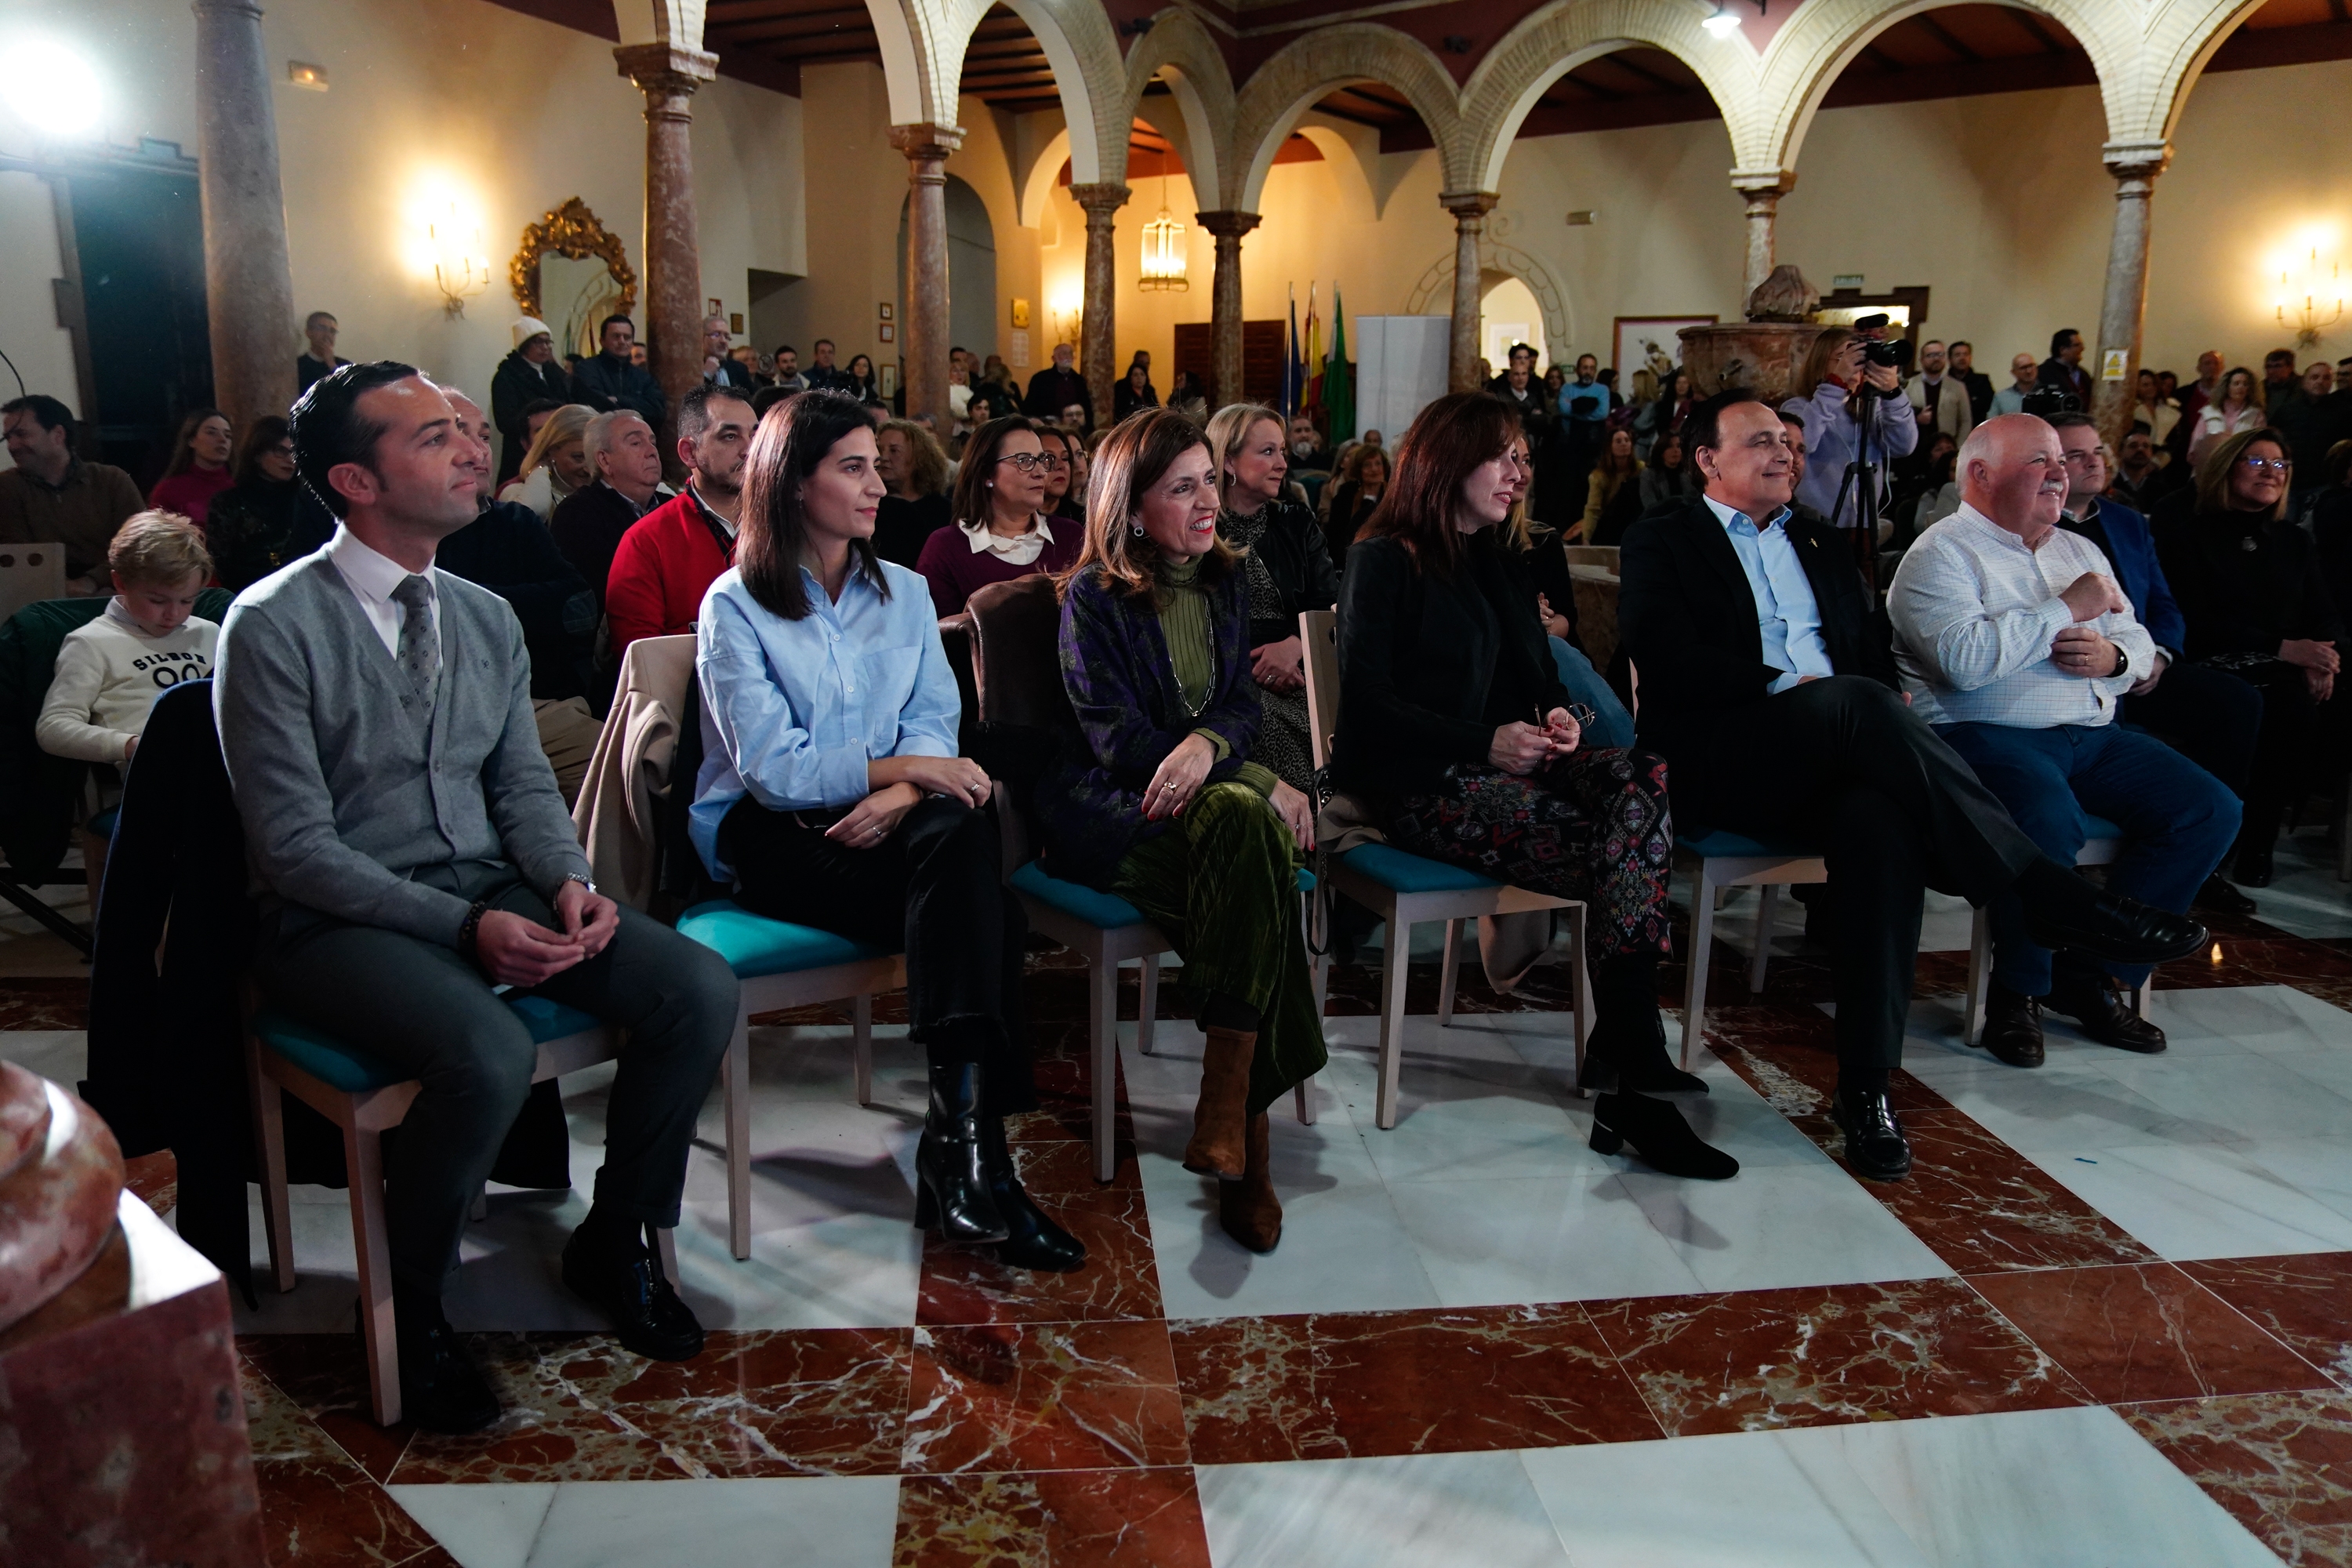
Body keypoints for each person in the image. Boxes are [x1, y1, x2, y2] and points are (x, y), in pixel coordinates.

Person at [216, 361, 739, 1432]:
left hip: (488, 881)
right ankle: (415, 1306)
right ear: (357, 480)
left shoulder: (485, 614)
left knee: (694, 985)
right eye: (431, 437)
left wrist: (568, 882)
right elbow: (294, 847)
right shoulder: (271, 623)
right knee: (487, 1051)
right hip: (334, 919)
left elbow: (516, 783)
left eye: (464, 427)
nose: (471, 448)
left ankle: (617, 1236)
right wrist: (467, 926)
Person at [1618, 388, 2208, 1181]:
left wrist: (1858, 701)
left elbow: (1867, 650)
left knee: (1879, 827)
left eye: (1786, 444)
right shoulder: (1665, 539)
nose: (1783, 454)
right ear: (1706, 458)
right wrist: (1800, 692)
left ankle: (1865, 1089)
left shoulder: (1821, 544)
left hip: (1838, 756)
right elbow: (1663, 656)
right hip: (1724, 751)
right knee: (1852, 699)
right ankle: (2045, 888)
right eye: (1760, 441)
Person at [691, 389, 1076, 1271]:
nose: (879, 485)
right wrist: (910, 774)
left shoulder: (900, 589)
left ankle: (970, 1151)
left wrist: (906, 791)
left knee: (956, 837)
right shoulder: (734, 606)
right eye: (853, 467)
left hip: (896, 824)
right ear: (792, 484)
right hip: (780, 837)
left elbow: (934, 724)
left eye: (877, 464)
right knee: (995, 911)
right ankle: (973, 1158)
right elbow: (775, 770)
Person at [1337, 392, 1720, 1169]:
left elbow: (1540, 676)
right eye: (1503, 455)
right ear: (1450, 460)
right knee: (1629, 856)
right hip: (1424, 781)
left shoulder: (1501, 559)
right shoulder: (1383, 558)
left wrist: (1557, 716)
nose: (1520, 472)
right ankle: (1632, 1074)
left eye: (1524, 456)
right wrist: (1484, 738)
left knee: (1641, 774)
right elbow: (1369, 708)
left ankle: (1630, 1056)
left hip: (1518, 770)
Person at [1041, 407, 1327, 1252]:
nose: (1208, 502)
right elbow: (1117, 742)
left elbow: (1238, 703)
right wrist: (1243, 770)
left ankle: (1231, 1117)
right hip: (1123, 812)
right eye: (1183, 487)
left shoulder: (1225, 577)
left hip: (1208, 808)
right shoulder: (1090, 599)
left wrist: (1215, 747)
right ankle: (1247, 1138)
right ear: (1131, 507)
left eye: (1210, 479)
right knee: (1260, 855)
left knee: (1245, 837)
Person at [1887, 416, 2238, 1066]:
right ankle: (2017, 993)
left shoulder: (2079, 550)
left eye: (2060, 461)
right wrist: (2063, 611)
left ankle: (2088, 975)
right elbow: (1963, 663)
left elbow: (2134, 637)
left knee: (2209, 807)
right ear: (1980, 476)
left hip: (2093, 734)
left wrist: (2113, 660)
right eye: (2038, 462)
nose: (2059, 473)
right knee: (2046, 816)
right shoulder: (1940, 554)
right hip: (1983, 735)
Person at [2039, 412, 2261, 916]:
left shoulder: (2127, 522)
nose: (2093, 462)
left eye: (2098, 452)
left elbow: (2162, 603)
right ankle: (2133, 852)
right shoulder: (2034, 529)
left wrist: (2158, 656)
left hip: (2140, 665)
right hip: (2068, 675)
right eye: (2076, 454)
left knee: (2234, 702)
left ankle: (2201, 864)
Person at [2154, 427, 2347, 887]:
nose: (2271, 472)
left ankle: (2274, 835)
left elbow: (2323, 611)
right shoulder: (2190, 533)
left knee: (2320, 700)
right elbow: (2194, 620)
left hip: (2285, 664)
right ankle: (2244, 840)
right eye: (2257, 462)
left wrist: (2326, 658)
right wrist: (2285, 650)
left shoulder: (2292, 540)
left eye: (2280, 465)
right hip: (2214, 658)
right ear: (2227, 468)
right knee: (2284, 706)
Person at [436, 391, 603, 804]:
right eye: (458, 432)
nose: (478, 451)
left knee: (629, 769)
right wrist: (524, 608)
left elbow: (577, 607)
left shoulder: (513, 522)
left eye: (484, 436)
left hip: (533, 702)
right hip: (441, 710)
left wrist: (472, 604)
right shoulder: (409, 529)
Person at [1203, 404, 1337, 793]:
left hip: (1305, 668)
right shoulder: (1200, 528)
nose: (1282, 462)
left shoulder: (1296, 522)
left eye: (1282, 451)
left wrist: (1295, 646)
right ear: (1228, 460)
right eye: (1267, 452)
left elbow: (1331, 601)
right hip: (1231, 677)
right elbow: (1196, 620)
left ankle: (1337, 837)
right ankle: (1301, 841)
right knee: (1266, 723)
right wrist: (1255, 665)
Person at [37, 511, 218, 764]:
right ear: (120, 582)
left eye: (187, 600)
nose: (174, 614)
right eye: (157, 600)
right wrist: (130, 745)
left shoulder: (209, 633)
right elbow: (53, 727)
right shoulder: (91, 643)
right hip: (158, 772)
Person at [605, 385, 754, 659]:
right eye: (730, 436)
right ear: (689, 453)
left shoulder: (791, 526)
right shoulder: (647, 540)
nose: (749, 450)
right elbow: (642, 660)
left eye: (756, 435)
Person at [916, 416, 1080, 615]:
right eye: (1024, 461)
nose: (1041, 473)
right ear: (987, 474)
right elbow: (941, 639)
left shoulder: (1071, 536)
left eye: (1042, 460)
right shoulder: (946, 549)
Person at [0, 394, 146, 594]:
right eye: (8, 437)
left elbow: (140, 544)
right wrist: (64, 587)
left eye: (21, 434)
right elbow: (16, 557)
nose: (12, 446)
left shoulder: (111, 480)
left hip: (114, 592)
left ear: (58, 435)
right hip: (41, 598)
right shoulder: (7, 487)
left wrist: (93, 581)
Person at [1782, 327, 1918, 538]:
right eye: (1843, 358)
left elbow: (1904, 446)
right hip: (1814, 524)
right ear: (1820, 364)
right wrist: (1835, 385)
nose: (1854, 367)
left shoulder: (1871, 409)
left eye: (1859, 360)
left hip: (1863, 526)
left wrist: (1892, 394)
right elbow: (1804, 442)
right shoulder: (1798, 407)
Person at [550, 410, 671, 638]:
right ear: (604, 460)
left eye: (652, 442)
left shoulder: (672, 507)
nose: (652, 451)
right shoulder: (578, 514)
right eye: (636, 443)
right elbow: (604, 596)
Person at [205, 416, 334, 592]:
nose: (290, 460)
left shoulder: (310, 501)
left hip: (307, 591)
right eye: (281, 451)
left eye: (294, 452)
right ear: (258, 454)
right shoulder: (228, 502)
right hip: (248, 593)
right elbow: (223, 565)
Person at [492, 318, 577, 484]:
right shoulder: (507, 376)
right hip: (523, 451)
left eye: (548, 342)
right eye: (539, 342)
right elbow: (505, 420)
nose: (546, 348)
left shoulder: (553, 373)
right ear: (525, 345)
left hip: (556, 446)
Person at [872, 418, 953, 568]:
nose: (883, 457)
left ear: (918, 458)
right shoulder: (871, 507)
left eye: (894, 451)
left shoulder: (944, 511)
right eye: (879, 450)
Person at [499, 403, 597, 522]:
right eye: (578, 457)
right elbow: (535, 510)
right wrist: (541, 468)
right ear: (551, 451)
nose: (588, 469)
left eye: (594, 458)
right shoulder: (517, 492)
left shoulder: (605, 494)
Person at [571, 316, 665, 427]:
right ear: (602, 341)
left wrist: (618, 400)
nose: (622, 341)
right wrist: (637, 405)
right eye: (616, 336)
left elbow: (657, 411)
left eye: (627, 337)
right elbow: (595, 405)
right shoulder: (587, 369)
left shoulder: (642, 377)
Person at [150, 408, 236, 527]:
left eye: (228, 435)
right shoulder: (169, 490)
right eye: (211, 433)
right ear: (191, 440)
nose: (222, 440)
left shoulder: (242, 485)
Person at [1321, 441, 1388, 569]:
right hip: (1350, 560)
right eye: (1367, 465)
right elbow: (1335, 535)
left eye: (1378, 464)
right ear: (1359, 470)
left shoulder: (1393, 495)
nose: (1374, 469)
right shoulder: (1346, 494)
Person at [2187, 366, 2265, 468]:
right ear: (2227, 387)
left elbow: (2258, 444)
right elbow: (2197, 439)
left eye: (2245, 384)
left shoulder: (2256, 414)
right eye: (2236, 384)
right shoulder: (2210, 412)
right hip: (2211, 464)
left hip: (2240, 466)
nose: (2240, 387)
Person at [1579, 425, 1645, 546]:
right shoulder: (1599, 476)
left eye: (1627, 440)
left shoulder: (1641, 469)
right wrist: (1586, 537)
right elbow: (1593, 509)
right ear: (1610, 447)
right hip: (1610, 526)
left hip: (1635, 521)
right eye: (1618, 441)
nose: (1624, 444)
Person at [1905, 339, 1976, 448]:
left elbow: (1965, 421)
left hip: (1947, 450)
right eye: (1931, 355)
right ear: (1922, 360)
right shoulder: (1909, 386)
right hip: (1916, 448)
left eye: (1940, 354)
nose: (1936, 359)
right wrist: (1916, 418)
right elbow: (1899, 416)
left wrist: (1958, 448)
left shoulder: (1958, 387)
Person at [1486, 343, 1551, 445]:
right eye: (1519, 357)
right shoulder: (1499, 385)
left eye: (1526, 358)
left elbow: (1543, 416)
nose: (1523, 361)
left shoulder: (1537, 384)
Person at [1024, 344, 1090, 427]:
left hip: (1074, 425)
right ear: (1054, 358)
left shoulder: (1079, 380)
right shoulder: (1041, 379)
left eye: (1070, 354)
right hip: (1048, 426)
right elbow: (1030, 406)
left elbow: (1086, 406)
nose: (1068, 357)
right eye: (1064, 354)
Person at [1632, 368, 1692, 460]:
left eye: (1685, 383)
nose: (1681, 386)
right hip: (1664, 442)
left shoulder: (1693, 405)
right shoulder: (1664, 405)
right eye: (1678, 383)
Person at [2107, 424, 2169, 511]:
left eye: (2146, 446)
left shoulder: (2160, 490)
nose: (2140, 449)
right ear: (2120, 452)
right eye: (2133, 446)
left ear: (2151, 453)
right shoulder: (2109, 485)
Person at [2038, 328, 2092, 409]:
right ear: (2063, 350)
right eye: (2077, 345)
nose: (2083, 348)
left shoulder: (2083, 373)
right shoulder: (2043, 373)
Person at [1037, 425, 1083, 522]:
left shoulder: (1086, 520)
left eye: (1065, 458)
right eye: (1048, 458)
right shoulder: (1014, 523)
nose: (1061, 466)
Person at [1947, 341, 1996, 427]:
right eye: (1958, 355)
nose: (1962, 358)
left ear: (1970, 357)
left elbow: (1987, 407)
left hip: (1975, 430)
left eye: (1965, 354)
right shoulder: (1944, 382)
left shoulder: (1982, 381)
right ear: (1950, 359)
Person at [2133, 368, 2182, 451]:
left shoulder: (2170, 410)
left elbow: (2175, 439)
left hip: (2166, 456)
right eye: (2145, 385)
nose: (2151, 388)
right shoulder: (2133, 410)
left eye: (2153, 384)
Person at [296, 311, 346, 392]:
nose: (328, 335)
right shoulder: (297, 366)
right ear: (309, 333)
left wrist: (331, 364)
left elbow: (350, 393)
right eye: (322, 329)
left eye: (332, 331)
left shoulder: (344, 365)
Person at [1639, 430, 1688, 512]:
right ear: (1661, 450)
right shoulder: (1648, 474)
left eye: (1678, 446)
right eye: (1670, 447)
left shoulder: (1688, 473)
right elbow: (1650, 506)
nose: (1676, 450)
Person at [702, 315, 753, 392]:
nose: (723, 341)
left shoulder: (739, 369)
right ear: (702, 338)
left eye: (726, 336)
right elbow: (688, 400)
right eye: (716, 335)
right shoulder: (691, 369)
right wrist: (706, 375)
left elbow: (753, 399)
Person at [1988, 353, 2041, 419]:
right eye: (2023, 368)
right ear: (2013, 372)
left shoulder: (2050, 395)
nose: (2029, 371)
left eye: (2031, 366)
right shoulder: (2001, 398)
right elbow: (1991, 424)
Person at [1114, 357, 1159, 421]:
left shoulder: (1150, 392)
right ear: (1130, 378)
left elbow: (1156, 410)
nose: (1139, 378)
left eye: (1142, 375)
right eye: (1135, 375)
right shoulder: (1124, 395)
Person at [2263, 348, 2300, 418]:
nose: (2271, 371)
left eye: (2277, 366)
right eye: (2268, 367)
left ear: (2291, 367)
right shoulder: (2261, 388)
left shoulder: (2304, 386)